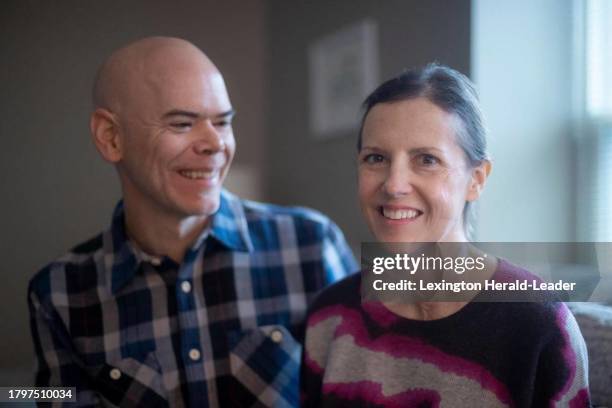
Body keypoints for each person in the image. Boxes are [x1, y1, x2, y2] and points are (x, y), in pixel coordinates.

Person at [28, 36, 357, 407]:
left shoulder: (311, 245)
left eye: (223, 122)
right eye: (183, 124)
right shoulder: (58, 294)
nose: (215, 144)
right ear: (111, 137)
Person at [301, 64, 590, 407]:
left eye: (426, 159)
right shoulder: (330, 316)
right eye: (376, 158)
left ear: (477, 179)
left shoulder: (539, 325)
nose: (394, 185)